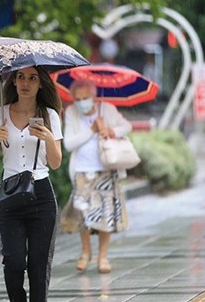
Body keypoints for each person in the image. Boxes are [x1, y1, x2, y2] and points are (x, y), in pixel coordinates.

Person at [0, 66, 63, 302]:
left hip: (41, 195)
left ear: (41, 84)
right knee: (14, 261)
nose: (25, 83)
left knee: (39, 266)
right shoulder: (0, 114)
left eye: (32, 78)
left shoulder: (50, 115)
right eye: (20, 77)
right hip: (10, 195)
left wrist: (49, 138)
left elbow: (56, 162)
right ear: (13, 82)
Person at [61, 79, 132, 274]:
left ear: (94, 97)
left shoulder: (107, 109)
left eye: (85, 98)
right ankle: (85, 252)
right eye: (78, 98)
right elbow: (69, 144)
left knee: (106, 214)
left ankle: (103, 256)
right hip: (82, 171)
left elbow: (127, 126)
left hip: (106, 169)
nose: (82, 102)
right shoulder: (71, 113)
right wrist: (90, 130)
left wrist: (111, 130)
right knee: (83, 214)